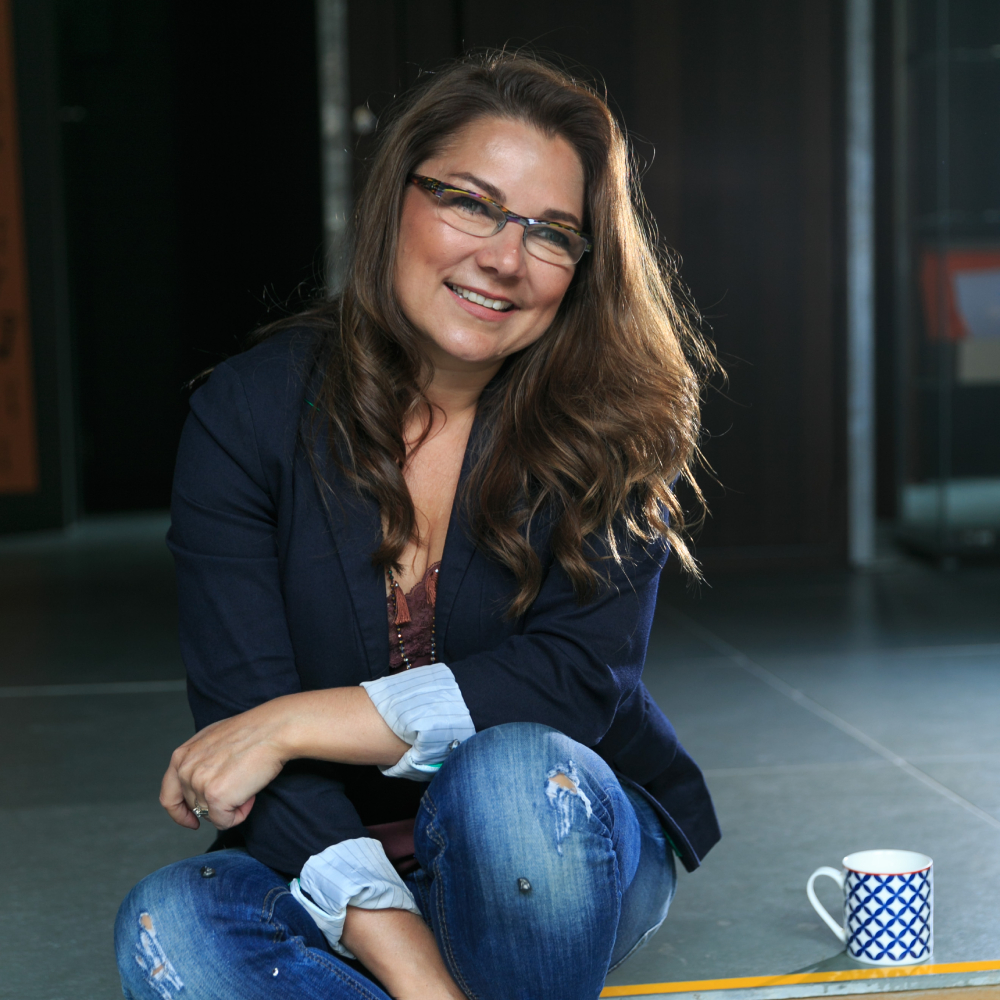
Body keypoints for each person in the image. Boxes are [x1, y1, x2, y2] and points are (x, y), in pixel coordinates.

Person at [115, 51, 720, 1000]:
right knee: (172, 927)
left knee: (510, 778)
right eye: (471, 203)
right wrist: (412, 967)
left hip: (558, 842)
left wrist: (291, 722)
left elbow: (569, 682)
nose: (505, 256)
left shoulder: (615, 421)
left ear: (582, 266)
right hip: (326, 856)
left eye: (554, 233)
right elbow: (241, 701)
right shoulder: (247, 416)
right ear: (395, 196)